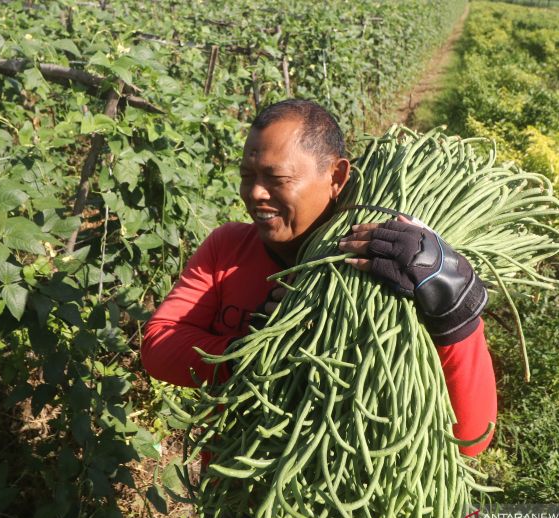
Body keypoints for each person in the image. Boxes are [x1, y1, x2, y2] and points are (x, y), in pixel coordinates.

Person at [141, 99, 497, 457]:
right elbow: (157, 346)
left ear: (336, 177)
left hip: (356, 496)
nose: (255, 194)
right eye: (247, 177)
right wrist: (249, 352)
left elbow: (471, 440)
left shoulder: (387, 274)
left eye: (277, 179)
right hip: (236, 497)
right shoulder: (228, 246)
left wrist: (454, 306)